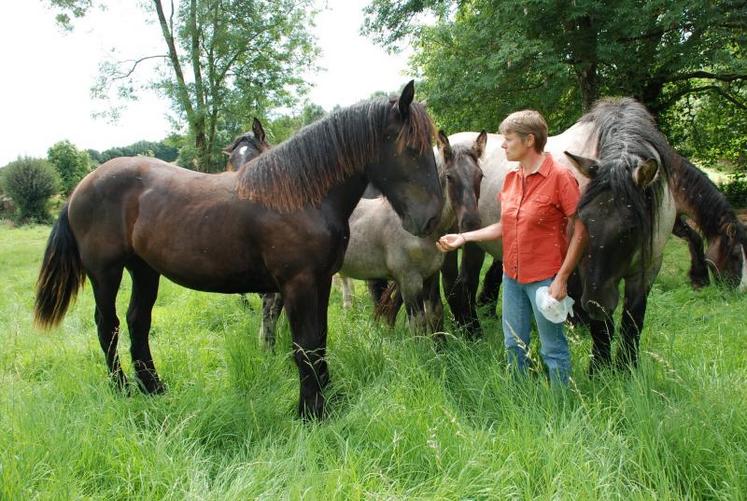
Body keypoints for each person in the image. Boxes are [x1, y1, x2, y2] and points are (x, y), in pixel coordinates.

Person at [437, 110, 587, 385]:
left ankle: (562, 406)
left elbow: (580, 229)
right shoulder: (511, 179)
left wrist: (563, 278)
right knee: (514, 345)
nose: (502, 145)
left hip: (545, 279)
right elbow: (505, 226)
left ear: (529, 140)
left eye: (508, 139)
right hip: (512, 276)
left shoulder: (560, 177)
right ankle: (520, 402)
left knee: (552, 349)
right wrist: (464, 238)